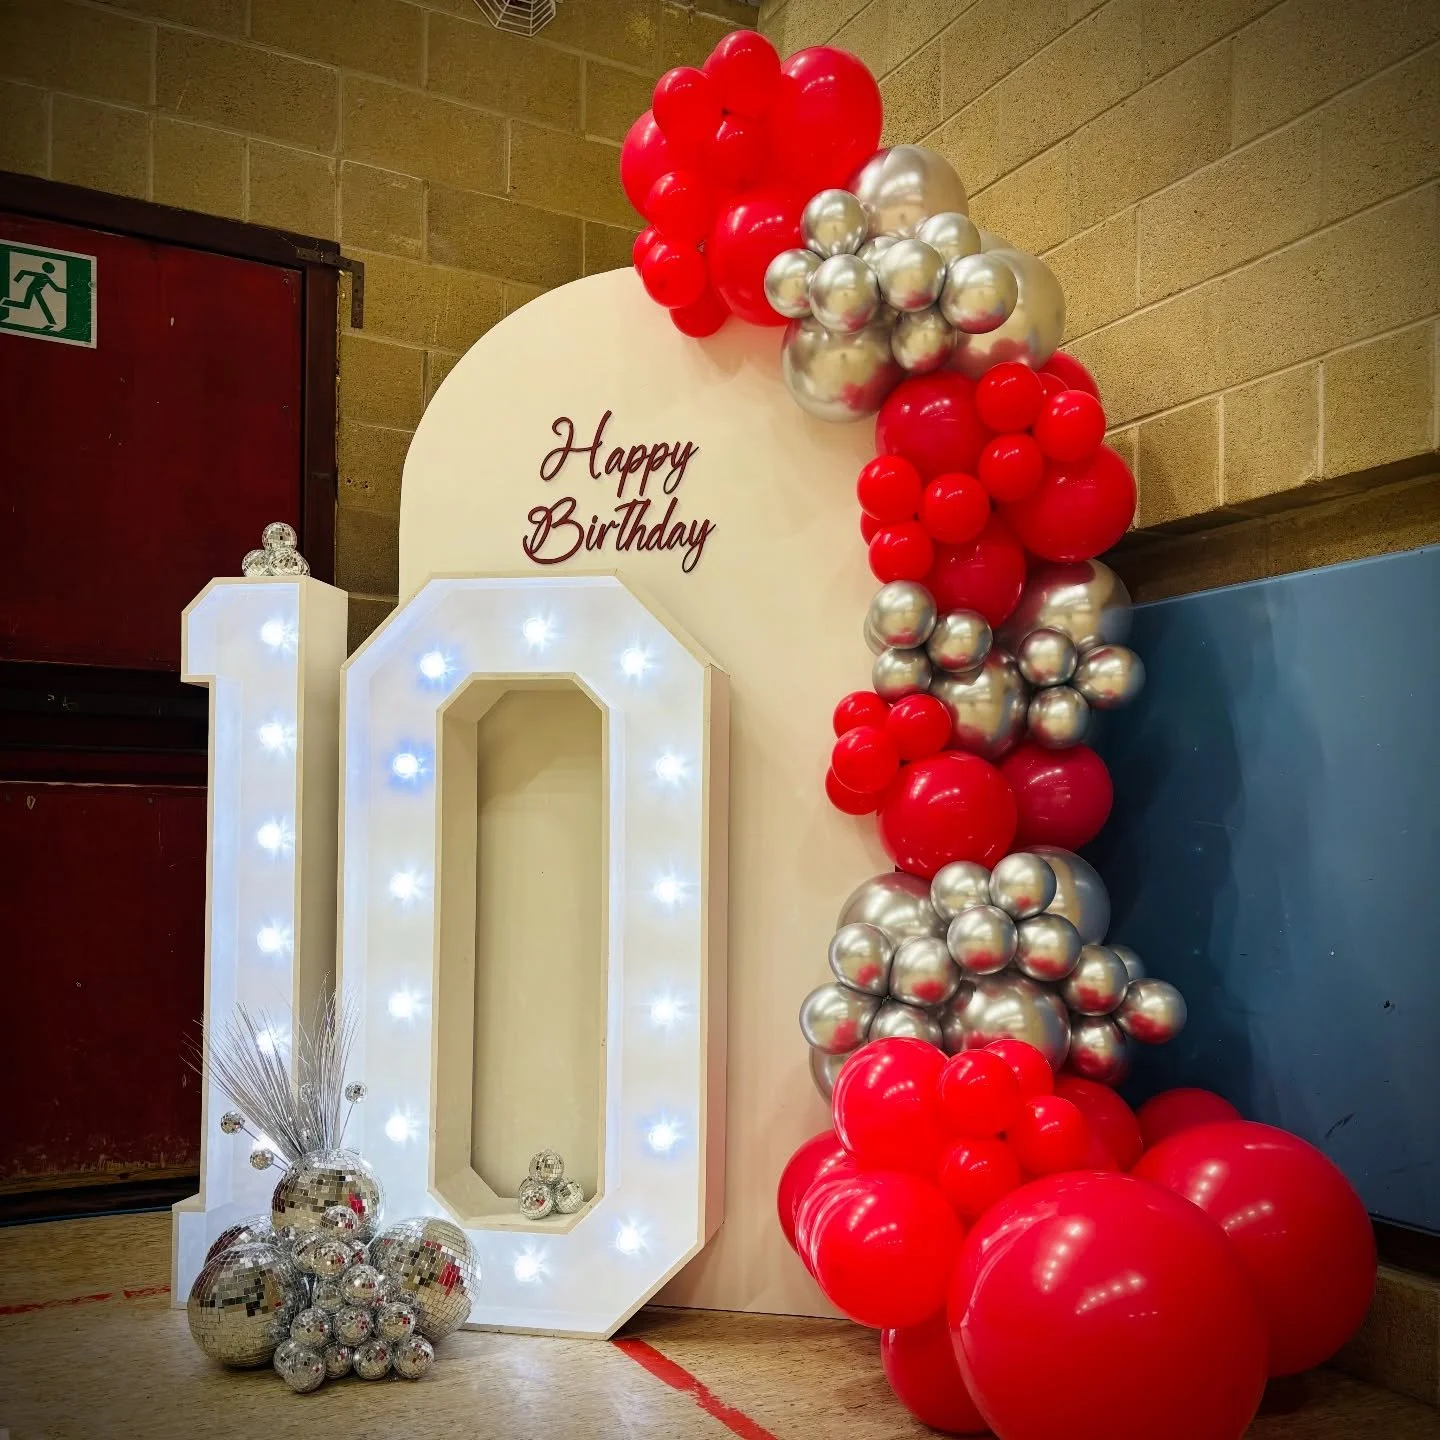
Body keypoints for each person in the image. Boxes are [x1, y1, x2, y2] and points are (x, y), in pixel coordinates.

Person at [3, 259, 65, 329]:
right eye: (51, 269)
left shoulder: (46, 277)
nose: (51, 270)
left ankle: (6, 302)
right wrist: (17, 279)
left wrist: (68, 291)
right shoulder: (42, 275)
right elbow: (23, 272)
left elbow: (56, 288)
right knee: (33, 305)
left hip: (37, 292)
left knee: (27, 305)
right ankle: (52, 322)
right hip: (31, 290)